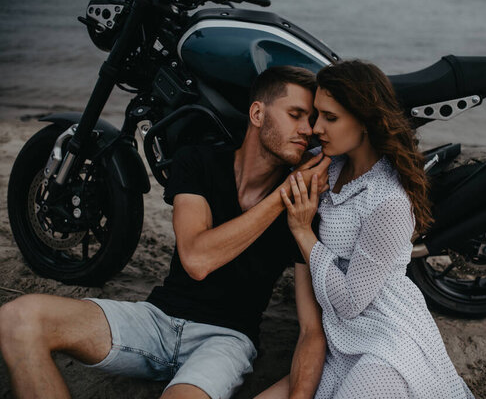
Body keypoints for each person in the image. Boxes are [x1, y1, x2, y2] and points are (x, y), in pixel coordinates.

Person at [0, 65, 331, 399]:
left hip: (225, 340)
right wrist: (280, 196)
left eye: (312, 120)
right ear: (258, 113)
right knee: (19, 319)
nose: (308, 130)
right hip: (157, 321)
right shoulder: (198, 162)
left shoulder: (302, 210)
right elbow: (197, 258)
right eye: (296, 114)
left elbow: (310, 329)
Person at [270, 60, 475, 398]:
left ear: (365, 121)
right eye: (316, 114)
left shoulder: (387, 200)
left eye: (330, 118)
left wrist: (303, 232)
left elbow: (351, 301)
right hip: (337, 333)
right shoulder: (329, 164)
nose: (316, 128)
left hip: (385, 332)